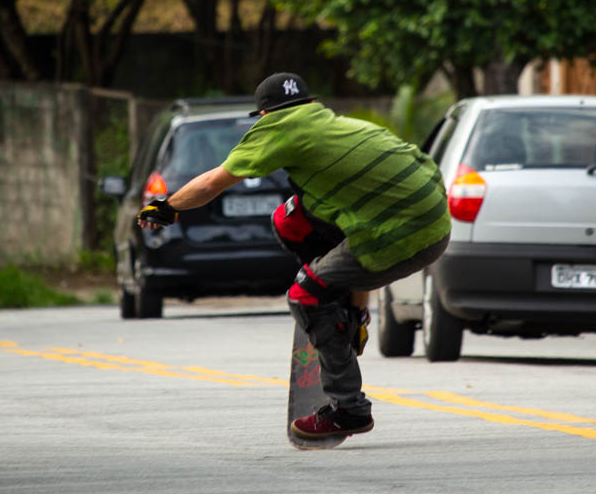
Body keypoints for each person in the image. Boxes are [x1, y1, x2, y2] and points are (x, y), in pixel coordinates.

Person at [137, 72, 451, 440]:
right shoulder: (329, 123)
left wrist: (167, 207)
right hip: (431, 215)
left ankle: (348, 409)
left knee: (305, 296)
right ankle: (347, 314)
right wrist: (355, 305)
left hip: (403, 232)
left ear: (265, 114)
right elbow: (351, 228)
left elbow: (211, 183)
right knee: (290, 218)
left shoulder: (277, 127)